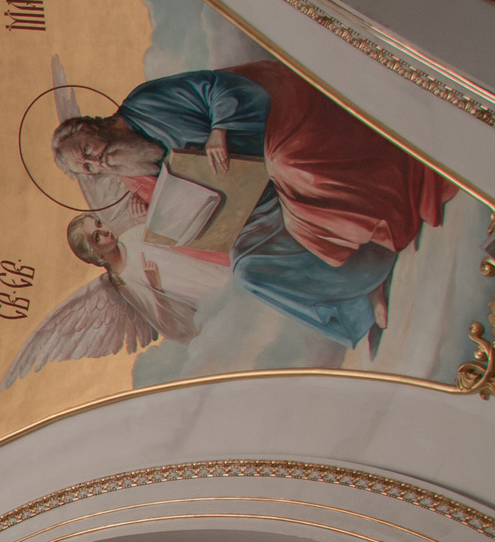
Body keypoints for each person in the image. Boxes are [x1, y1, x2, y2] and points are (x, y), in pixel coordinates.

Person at [52, 60, 457, 352]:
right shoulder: (127, 164)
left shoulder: (146, 102)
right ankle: (359, 289)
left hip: (271, 119)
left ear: (94, 125)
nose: (96, 161)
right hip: (247, 188)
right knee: (250, 269)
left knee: (289, 166)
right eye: (87, 167)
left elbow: (224, 89)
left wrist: (219, 130)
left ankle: (377, 236)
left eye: (88, 149)